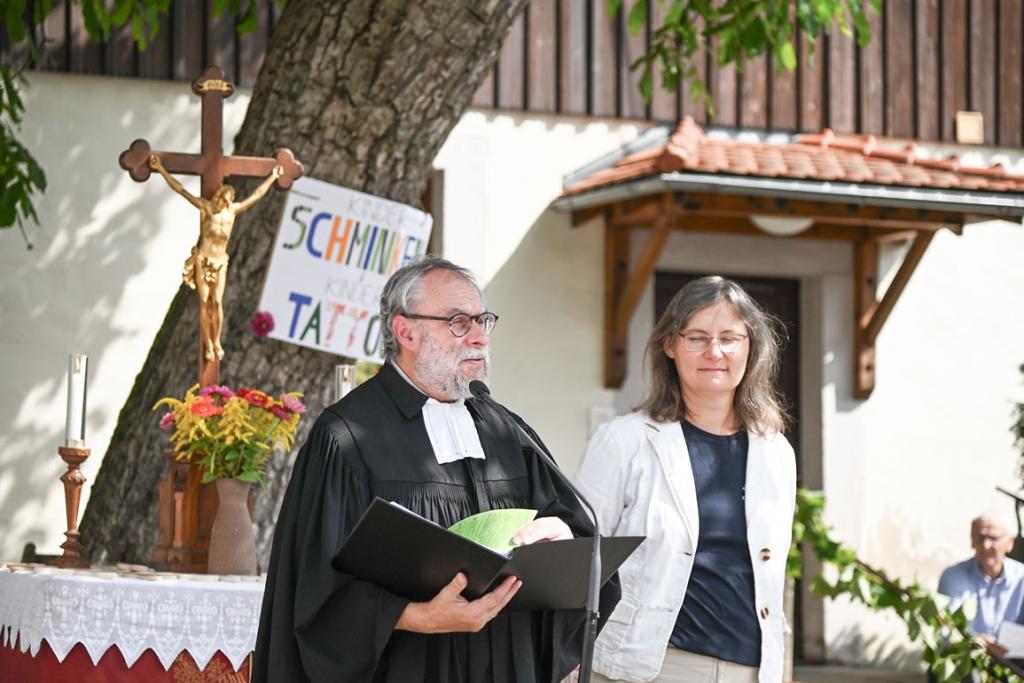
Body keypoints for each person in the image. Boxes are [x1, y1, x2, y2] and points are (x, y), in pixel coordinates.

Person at [253, 256, 619, 683]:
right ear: (406, 331)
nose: (480, 337)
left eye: (483, 320)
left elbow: (575, 535)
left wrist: (559, 532)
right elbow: (314, 588)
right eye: (460, 322)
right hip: (407, 669)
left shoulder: (506, 429)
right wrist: (415, 616)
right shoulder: (348, 436)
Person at [573, 275, 796, 683]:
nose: (715, 351)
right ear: (670, 345)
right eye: (697, 337)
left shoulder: (776, 451)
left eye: (730, 337)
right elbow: (579, 561)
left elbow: (769, 576)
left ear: (751, 347)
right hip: (652, 668)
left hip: (751, 670)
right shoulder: (624, 442)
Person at [148, 155, 283, 361]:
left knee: (217, 302)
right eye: (221, 199)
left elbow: (256, 196)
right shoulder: (206, 208)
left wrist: (272, 178)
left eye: (227, 201)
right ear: (218, 197)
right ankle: (208, 343)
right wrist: (161, 169)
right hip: (204, 259)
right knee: (204, 301)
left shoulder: (232, 212)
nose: (223, 203)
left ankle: (216, 340)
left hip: (220, 262)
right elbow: (181, 190)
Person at [938, 513, 1024, 659]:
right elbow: (945, 629)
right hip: (966, 658)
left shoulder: (1021, 578)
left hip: (1015, 663)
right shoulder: (953, 576)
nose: (985, 545)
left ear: (1010, 543)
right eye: (980, 538)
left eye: (993, 538)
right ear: (972, 541)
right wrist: (976, 642)